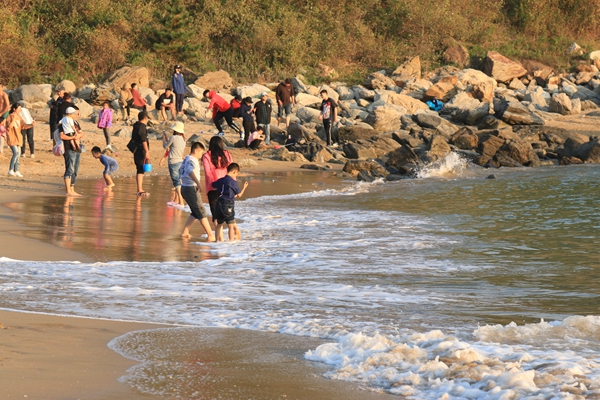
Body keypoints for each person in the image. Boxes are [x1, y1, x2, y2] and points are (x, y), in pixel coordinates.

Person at [180, 141, 216, 241]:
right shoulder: (193, 160)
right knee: (201, 211)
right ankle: (210, 235)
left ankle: (185, 232)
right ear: (196, 151)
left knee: (196, 212)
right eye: (200, 153)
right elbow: (189, 171)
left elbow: (182, 170)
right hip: (191, 188)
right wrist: (198, 183)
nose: (201, 156)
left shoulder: (186, 158)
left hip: (185, 188)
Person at [212, 163, 248, 242]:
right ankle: (231, 241)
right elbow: (239, 195)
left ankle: (216, 241)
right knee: (230, 225)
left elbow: (213, 184)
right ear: (234, 172)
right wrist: (244, 187)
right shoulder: (232, 182)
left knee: (219, 224)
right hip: (228, 204)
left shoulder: (221, 180)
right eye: (236, 174)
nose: (236, 176)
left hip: (219, 202)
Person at [201, 136, 233, 226]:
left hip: (213, 187)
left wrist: (214, 184)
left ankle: (219, 237)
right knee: (228, 215)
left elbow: (208, 172)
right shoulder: (227, 154)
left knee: (216, 215)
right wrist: (233, 184)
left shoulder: (206, 155)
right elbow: (231, 171)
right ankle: (232, 237)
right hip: (226, 187)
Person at [59, 107, 84, 196]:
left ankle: (72, 189)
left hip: (77, 148)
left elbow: (82, 133)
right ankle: (68, 191)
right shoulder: (64, 122)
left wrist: (78, 136)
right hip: (68, 148)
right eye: (76, 114)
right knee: (70, 169)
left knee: (75, 170)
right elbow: (61, 136)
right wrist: (73, 137)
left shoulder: (76, 123)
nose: (77, 115)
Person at [162, 121, 186, 206]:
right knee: (178, 181)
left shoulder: (173, 137)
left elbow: (165, 147)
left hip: (173, 162)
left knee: (176, 182)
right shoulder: (183, 140)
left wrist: (164, 138)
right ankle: (176, 199)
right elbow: (173, 147)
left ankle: (181, 200)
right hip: (180, 162)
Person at [131, 111, 151, 197]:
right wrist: (147, 151)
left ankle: (139, 188)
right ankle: (139, 189)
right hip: (140, 150)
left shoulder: (136, 125)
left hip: (137, 150)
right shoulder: (142, 127)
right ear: (145, 118)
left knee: (140, 169)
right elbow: (143, 140)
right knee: (140, 169)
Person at [5, 103, 28, 177]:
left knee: (18, 155)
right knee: (15, 153)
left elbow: (23, 126)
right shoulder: (9, 117)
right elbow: (9, 127)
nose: (20, 111)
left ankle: (16, 170)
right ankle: (10, 170)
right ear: (14, 109)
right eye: (19, 109)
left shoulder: (19, 117)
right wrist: (14, 118)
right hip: (12, 138)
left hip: (18, 138)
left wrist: (31, 125)